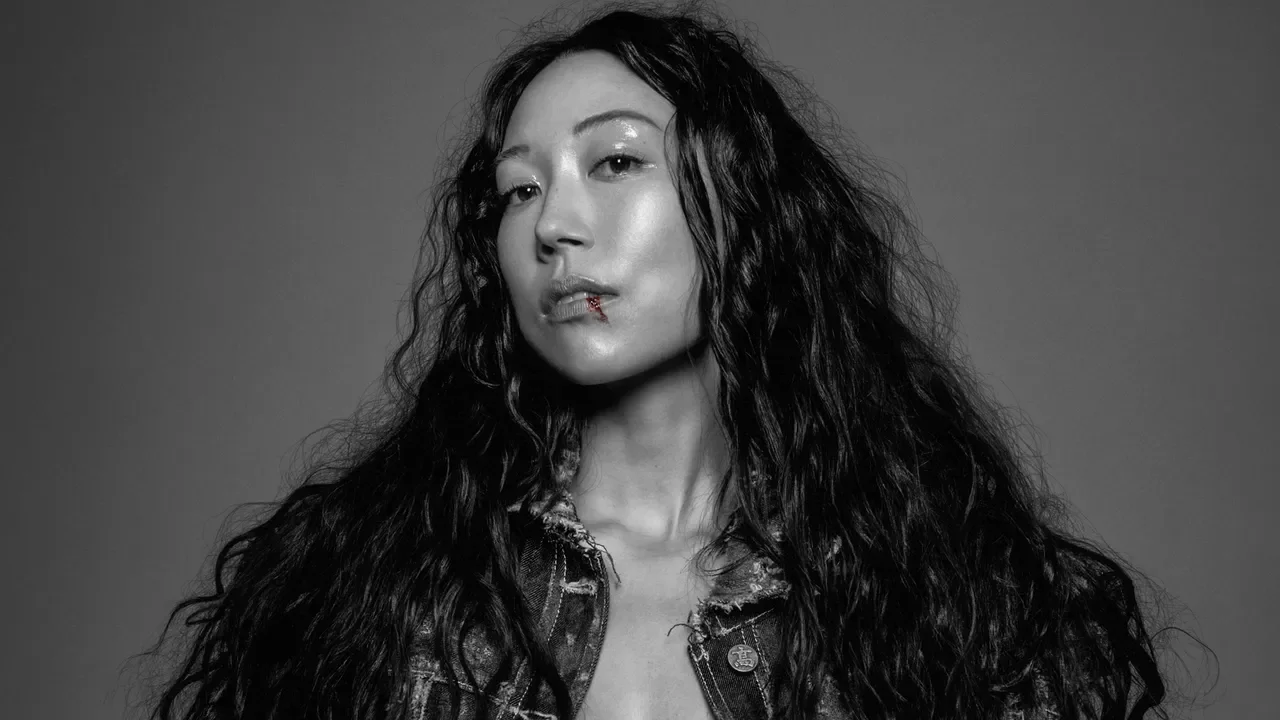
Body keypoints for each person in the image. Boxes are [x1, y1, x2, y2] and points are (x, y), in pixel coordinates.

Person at [143, 3, 1177, 719]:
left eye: (615, 160)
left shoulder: (955, 599)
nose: (555, 226)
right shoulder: (364, 587)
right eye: (518, 190)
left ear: (741, 201)